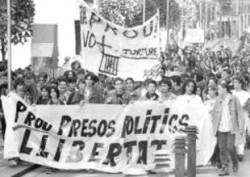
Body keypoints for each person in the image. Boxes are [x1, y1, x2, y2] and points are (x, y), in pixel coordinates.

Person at [211, 80, 244, 176]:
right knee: (222, 148)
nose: (218, 91)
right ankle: (225, 167)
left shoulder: (234, 99)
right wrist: (214, 128)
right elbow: (214, 114)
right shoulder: (218, 100)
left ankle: (235, 162)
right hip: (221, 128)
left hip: (231, 127)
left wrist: (241, 127)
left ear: (225, 89)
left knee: (230, 147)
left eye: (220, 89)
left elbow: (240, 113)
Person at [232, 76, 250, 161]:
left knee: (241, 132)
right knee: (234, 133)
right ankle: (235, 150)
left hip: (243, 115)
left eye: (236, 82)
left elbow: (248, 106)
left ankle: (241, 152)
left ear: (240, 84)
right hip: (232, 116)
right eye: (234, 82)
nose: (234, 84)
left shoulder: (246, 94)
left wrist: (246, 105)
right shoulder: (231, 93)